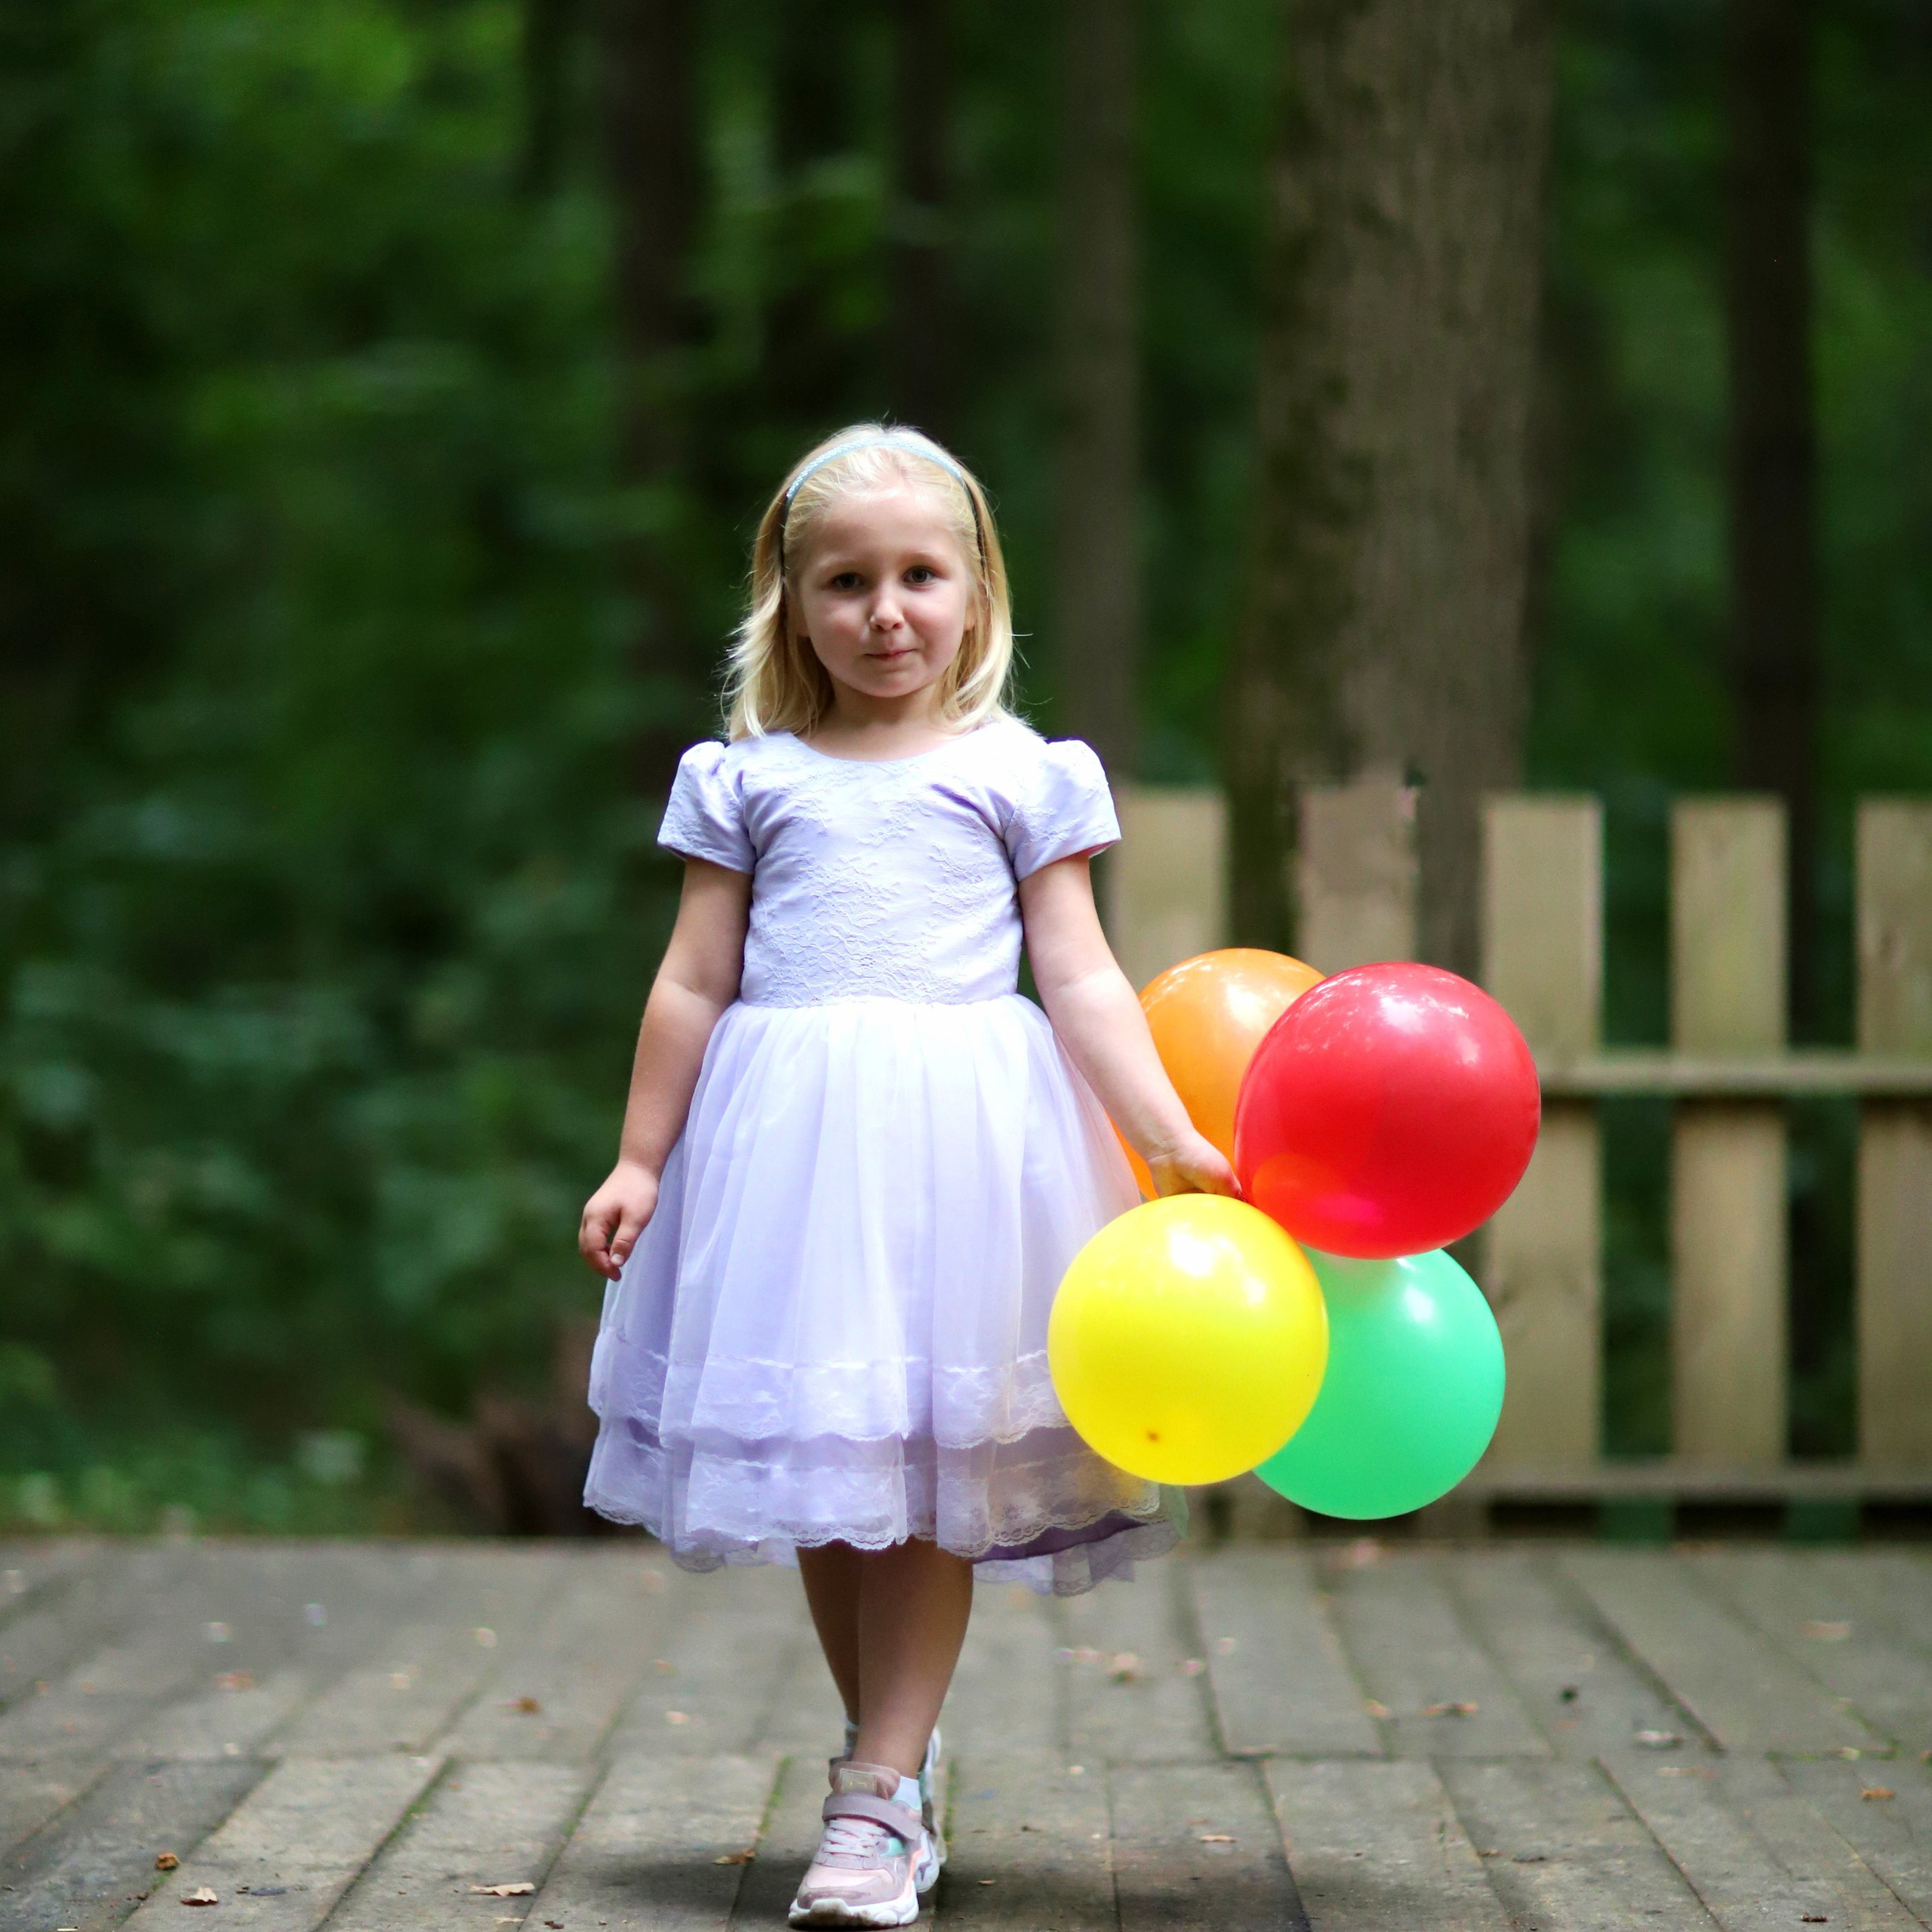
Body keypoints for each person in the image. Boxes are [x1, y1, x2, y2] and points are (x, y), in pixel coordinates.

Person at [577, 423, 1237, 1927]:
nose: (885, 609)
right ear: (790, 601)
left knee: (929, 1461)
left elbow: (1077, 976)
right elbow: (690, 977)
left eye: (918, 575)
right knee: (830, 1470)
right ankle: (898, 1756)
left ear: (974, 591)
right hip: (791, 1158)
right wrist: (638, 1154)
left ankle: (871, 1791)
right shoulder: (748, 777)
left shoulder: (1018, 771)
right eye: (846, 579)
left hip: (956, 1161)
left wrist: (1169, 1136)